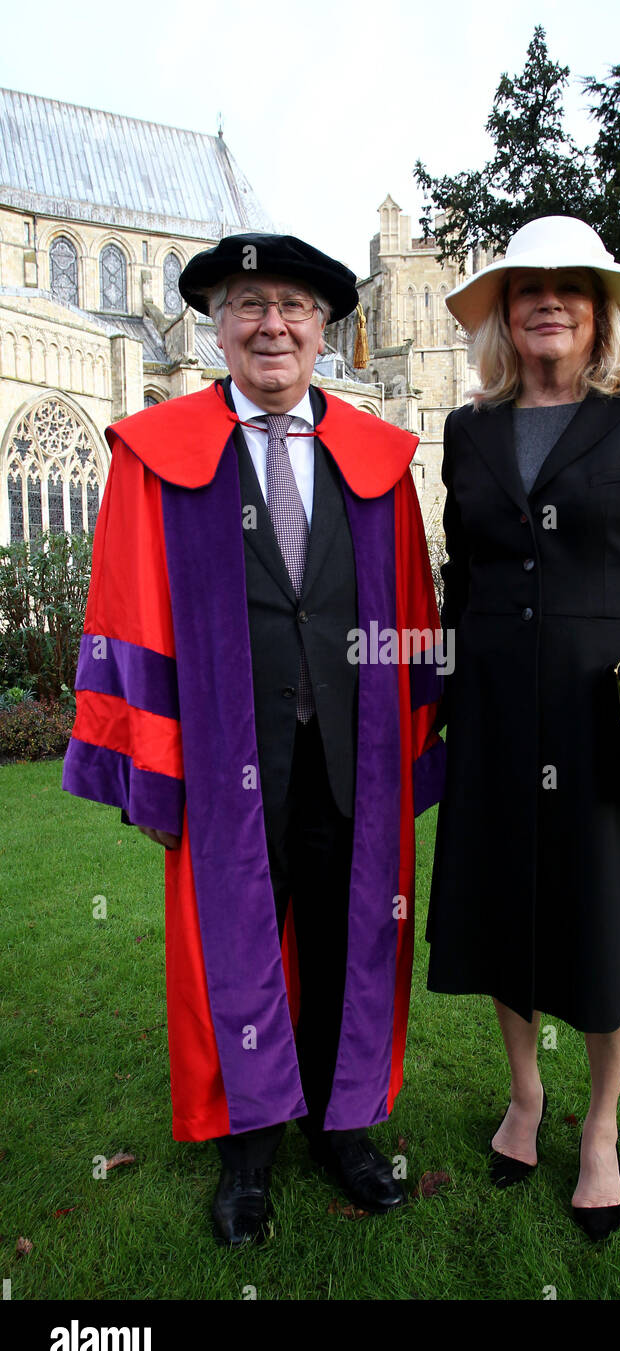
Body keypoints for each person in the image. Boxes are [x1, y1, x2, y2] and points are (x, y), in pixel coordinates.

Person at [62, 232, 445, 1245]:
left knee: (349, 938)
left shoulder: (377, 461)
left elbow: (410, 610)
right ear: (217, 326)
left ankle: (345, 1128)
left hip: (349, 756)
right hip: (224, 759)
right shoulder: (159, 456)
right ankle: (248, 1153)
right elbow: (127, 611)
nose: (273, 324)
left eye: (295, 308)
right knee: (232, 953)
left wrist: (409, 741)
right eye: (249, 305)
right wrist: (150, 766)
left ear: (327, 329)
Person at [425, 216, 620, 1239]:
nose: (547, 300)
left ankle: (598, 1126)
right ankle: (525, 1095)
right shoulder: (470, 430)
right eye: (526, 287)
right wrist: (439, 690)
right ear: (504, 314)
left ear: (599, 308)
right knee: (502, 910)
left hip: (612, 716)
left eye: (570, 286)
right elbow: (463, 577)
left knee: (609, 920)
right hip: (493, 715)